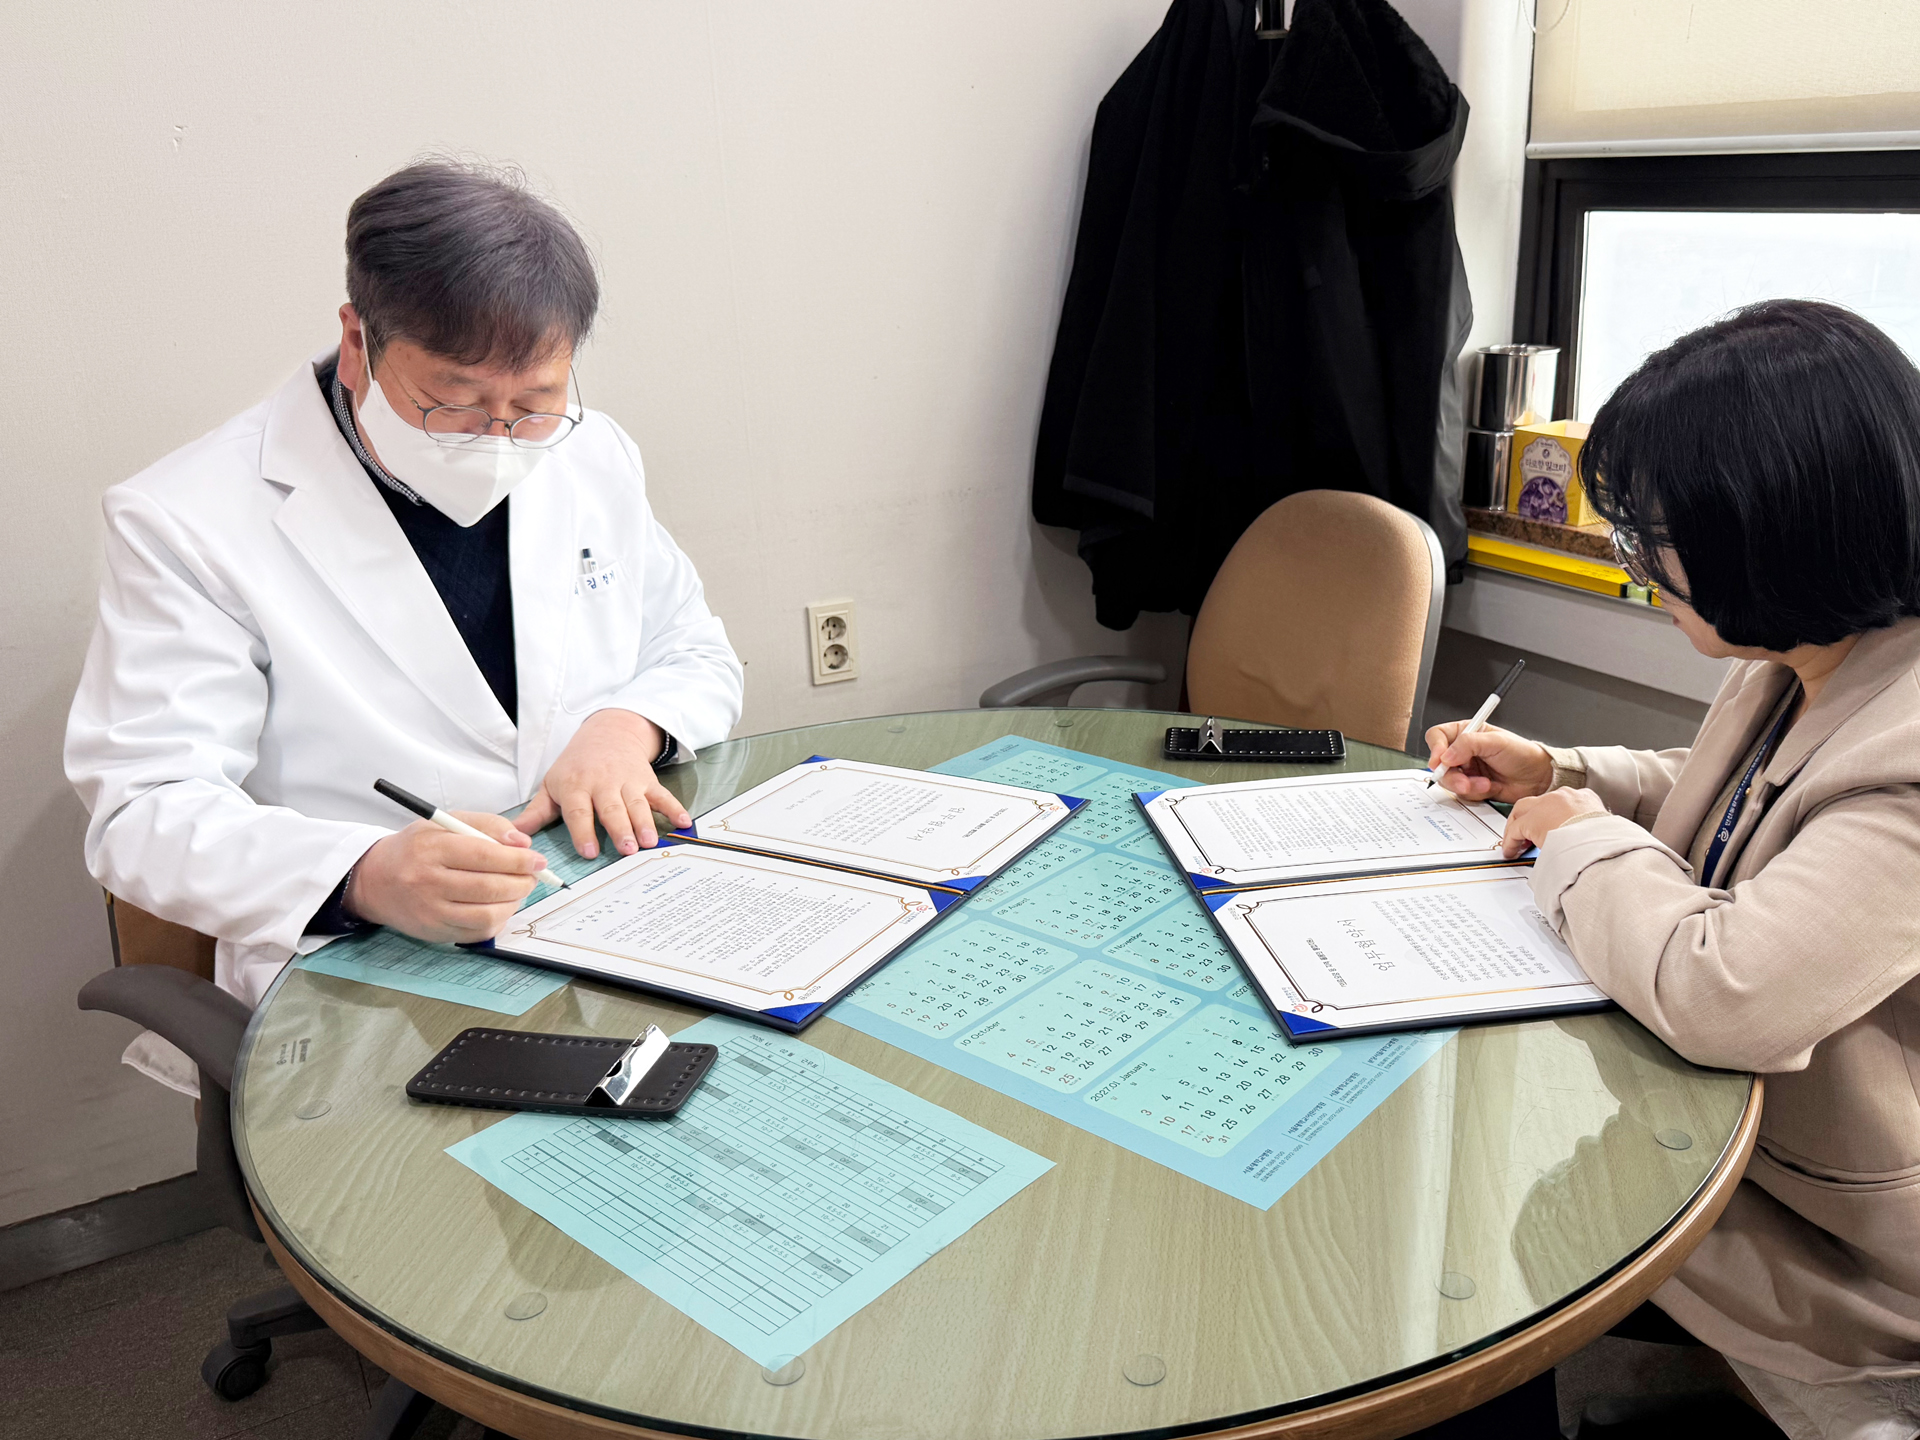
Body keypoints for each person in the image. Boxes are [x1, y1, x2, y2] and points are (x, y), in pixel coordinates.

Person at [65, 159, 744, 1017]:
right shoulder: (186, 518)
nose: (499, 437)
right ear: (359, 341)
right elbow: (144, 810)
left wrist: (623, 728)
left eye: (535, 402)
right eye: (451, 402)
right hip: (362, 973)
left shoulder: (590, 452)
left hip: (605, 911)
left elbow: (695, 650)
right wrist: (364, 873)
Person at [1426, 300, 1920, 1438]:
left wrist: (1571, 832)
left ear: (1773, 530)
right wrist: (1559, 772)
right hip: (1743, 1142)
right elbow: (1742, 798)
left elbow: (1725, 992)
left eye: (1654, 537)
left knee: (1482, 1248)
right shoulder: (1813, 651)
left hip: (1838, 1243)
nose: (1640, 564)